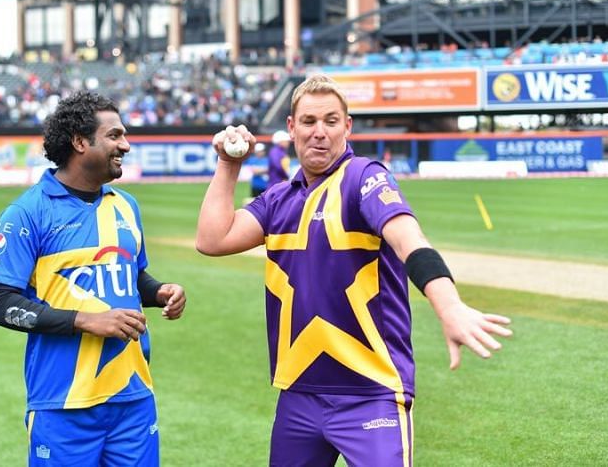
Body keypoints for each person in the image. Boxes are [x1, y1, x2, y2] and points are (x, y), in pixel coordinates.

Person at [196, 75, 512, 466]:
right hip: (299, 393)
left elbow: (408, 239)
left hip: (372, 392)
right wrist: (228, 164)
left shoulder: (365, 177)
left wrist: (449, 307)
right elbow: (212, 240)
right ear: (292, 128)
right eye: (309, 122)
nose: (320, 133)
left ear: (347, 126)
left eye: (331, 121)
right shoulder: (279, 199)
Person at [0, 91, 186, 466]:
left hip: (133, 393)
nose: (125, 145)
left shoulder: (126, 205)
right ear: (80, 141)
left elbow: (130, 276)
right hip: (63, 400)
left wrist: (159, 292)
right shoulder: (28, 213)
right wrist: (85, 321)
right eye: (114, 136)